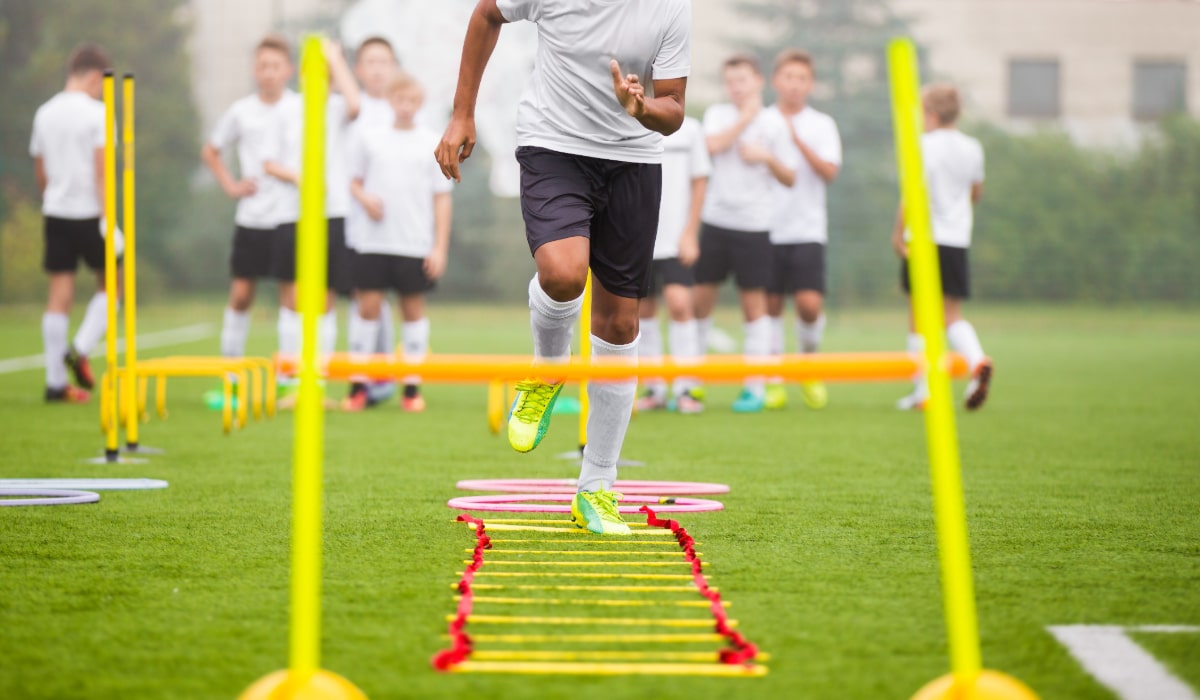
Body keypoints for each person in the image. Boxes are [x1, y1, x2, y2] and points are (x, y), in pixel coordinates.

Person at [436, 0, 690, 535]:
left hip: (634, 160)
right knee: (562, 272)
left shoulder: (670, 8)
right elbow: (486, 15)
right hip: (553, 145)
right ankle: (549, 367)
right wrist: (462, 112)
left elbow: (674, 108)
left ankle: (597, 487)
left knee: (621, 324)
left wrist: (640, 109)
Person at [693, 54, 795, 414]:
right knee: (699, 302)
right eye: (730, 81)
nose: (736, 87)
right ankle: (692, 383)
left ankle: (755, 387)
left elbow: (790, 177)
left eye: (742, 80)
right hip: (716, 222)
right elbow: (710, 147)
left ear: (758, 82)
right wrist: (745, 119)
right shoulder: (718, 115)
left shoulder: (776, 124)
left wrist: (766, 157)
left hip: (755, 226)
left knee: (755, 306)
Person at [345, 72, 452, 413]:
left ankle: (411, 389)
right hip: (373, 242)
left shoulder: (432, 141)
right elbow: (354, 182)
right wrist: (365, 198)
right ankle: (358, 387)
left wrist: (439, 248)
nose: (406, 107)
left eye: (412, 101)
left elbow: (442, 198)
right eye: (400, 100)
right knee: (367, 311)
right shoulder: (371, 138)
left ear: (420, 103)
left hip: (413, 243)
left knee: (413, 313)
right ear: (390, 101)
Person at [264, 39, 361, 383]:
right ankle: (289, 374)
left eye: (325, 73)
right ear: (301, 75)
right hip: (291, 214)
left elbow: (355, 104)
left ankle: (318, 375)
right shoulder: (284, 110)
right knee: (291, 297)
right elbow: (269, 163)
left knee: (325, 297)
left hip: (331, 214)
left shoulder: (336, 108)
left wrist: (335, 58)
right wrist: (299, 177)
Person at [893, 83, 992, 411]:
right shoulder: (973, 147)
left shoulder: (921, 145)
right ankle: (977, 362)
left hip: (922, 238)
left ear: (932, 114)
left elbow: (912, 195)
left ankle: (924, 392)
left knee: (918, 317)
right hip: (956, 240)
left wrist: (898, 234)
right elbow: (976, 193)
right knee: (951, 315)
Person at [202, 35, 297, 362]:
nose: (269, 72)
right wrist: (231, 185)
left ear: (288, 69)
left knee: (292, 295)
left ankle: (289, 374)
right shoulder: (241, 111)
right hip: (252, 216)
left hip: (289, 214)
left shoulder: (299, 107)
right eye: (262, 66)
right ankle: (230, 371)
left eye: (275, 66)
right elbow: (211, 151)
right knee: (242, 294)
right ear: (255, 71)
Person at [30, 43, 115, 403]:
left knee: (58, 296)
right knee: (115, 285)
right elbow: (102, 171)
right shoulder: (98, 113)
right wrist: (108, 218)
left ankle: (54, 384)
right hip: (90, 213)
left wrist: (54, 199)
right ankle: (79, 348)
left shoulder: (43, 113)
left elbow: (41, 171)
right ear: (96, 77)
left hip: (56, 211)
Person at [764, 49, 841, 411]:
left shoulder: (821, 124)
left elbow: (829, 172)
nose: (794, 85)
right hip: (765, 227)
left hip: (808, 229)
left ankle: (808, 365)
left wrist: (798, 142)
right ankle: (775, 378)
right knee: (771, 305)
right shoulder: (762, 120)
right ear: (776, 80)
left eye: (802, 79)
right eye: (788, 77)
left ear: (810, 85)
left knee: (809, 304)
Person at [635, 114, 709, 415]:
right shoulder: (631, 124)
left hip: (677, 239)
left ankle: (686, 387)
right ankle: (655, 389)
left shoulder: (690, 129)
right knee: (644, 311)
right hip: (639, 238)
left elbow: (700, 180)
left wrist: (690, 232)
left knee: (680, 304)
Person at [344, 36, 402, 407]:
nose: (378, 69)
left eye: (385, 61)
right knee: (364, 297)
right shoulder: (349, 108)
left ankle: (383, 373)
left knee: (387, 297)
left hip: (398, 223)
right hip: (355, 217)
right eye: (370, 62)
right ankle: (367, 375)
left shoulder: (404, 109)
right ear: (358, 70)